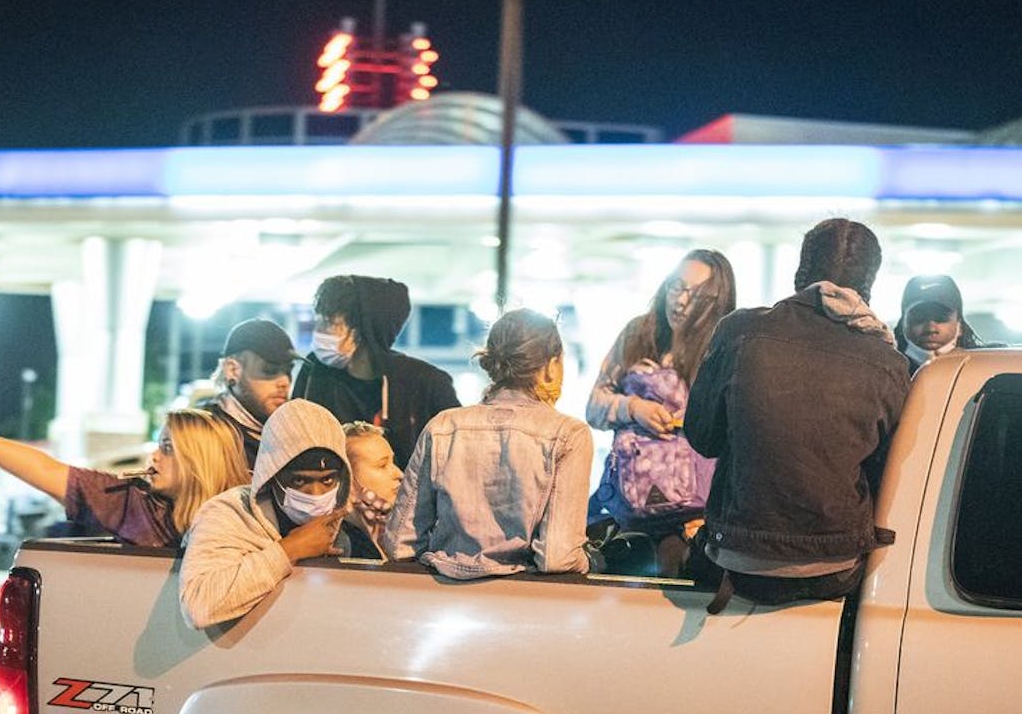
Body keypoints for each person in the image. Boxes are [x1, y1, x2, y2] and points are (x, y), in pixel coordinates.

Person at [682, 218, 910, 605]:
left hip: (736, 558)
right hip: (835, 564)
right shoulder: (888, 361)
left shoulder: (739, 331)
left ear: (800, 273)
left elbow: (704, 438)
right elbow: (887, 472)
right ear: (869, 284)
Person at [382, 308, 599, 579]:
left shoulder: (443, 426)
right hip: (526, 603)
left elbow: (399, 542)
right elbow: (557, 556)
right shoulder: (569, 434)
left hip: (444, 597)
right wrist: (592, 559)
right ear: (551, 368)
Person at [0, 385, 246, 547]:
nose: (153, 457)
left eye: (168, 449)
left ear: (202, 461)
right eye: (158, 446)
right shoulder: (134, 504)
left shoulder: (244, 519)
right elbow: (44, 470)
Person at [586, 249, 737, 572]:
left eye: (695, 295)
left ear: (716, 302)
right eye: (675, 287)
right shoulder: (637, 334)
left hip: (693, 513)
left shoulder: (722, 347)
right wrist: (632, 407)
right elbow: (594, 407)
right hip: (627, 504)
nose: (680, 301)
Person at [180, 399, 356, 627]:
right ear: (271, 475)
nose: (315, 493)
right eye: (300, 481)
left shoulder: (344, 527)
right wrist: (289, 549)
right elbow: (199, 606)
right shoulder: (231, 513)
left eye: (327, 480)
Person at [292, 274, 460, 468]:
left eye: (329, 322)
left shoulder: (427, 384)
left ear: (364, 329)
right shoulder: (315, 371)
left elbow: (456, 455)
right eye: (318, 321)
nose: (318, 331)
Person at [198, 318, 298, 464]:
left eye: (288, 371)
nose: (285, 382)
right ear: (232, 370)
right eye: (270, 370)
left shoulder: (292, 432)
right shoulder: (202, 432)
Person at [893, 273, 990, 374]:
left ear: (960, 326)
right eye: (919, 318)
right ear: (902, 326)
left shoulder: (991, 365)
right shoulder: (884, 370)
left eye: (941, 318)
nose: (930, 329)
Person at [340, 421, 403, 559]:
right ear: (350, 478)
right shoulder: (344, 542)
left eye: (393, 462)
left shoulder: (405, 528)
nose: (399, 474)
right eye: (382, 465)